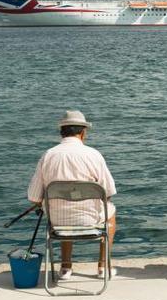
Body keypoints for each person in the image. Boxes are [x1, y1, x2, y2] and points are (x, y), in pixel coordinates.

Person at [27, 110, 117, 280]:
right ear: (83, 132)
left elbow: (34, 196)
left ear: (62, 132)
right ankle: (103, 267)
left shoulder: (48, 155)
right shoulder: (94, 155)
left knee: (63, 210)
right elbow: (109, 193)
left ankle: (65, 267)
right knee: (111, 213)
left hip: (58, 223)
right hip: (90, 221)